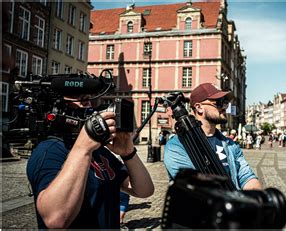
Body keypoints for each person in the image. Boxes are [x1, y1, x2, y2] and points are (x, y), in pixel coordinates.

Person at [26, 94, 154, 229]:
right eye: (80, 99)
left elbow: (144, 190)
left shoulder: (98, 150)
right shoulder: (49, 150)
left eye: (88, 99)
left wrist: (128, 153)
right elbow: (56, 219)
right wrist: (82, 150)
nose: (87, 105)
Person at [164, 83, 263, 190]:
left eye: (225, 103)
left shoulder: (230, 144)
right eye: (219, 102)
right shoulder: (177, 146)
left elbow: (246, 177)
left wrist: (256, 198)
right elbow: (194, 189)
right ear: (199, 107)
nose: (225, 107)